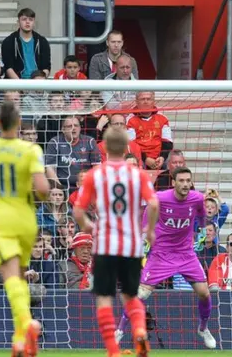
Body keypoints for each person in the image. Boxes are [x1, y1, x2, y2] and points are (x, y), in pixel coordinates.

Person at [0, 101, 50, 356]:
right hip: (26, 219)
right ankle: (19, 340)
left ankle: (27, 324)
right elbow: (45, 190)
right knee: (22, 275)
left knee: (11, 278)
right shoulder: (31, 149)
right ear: (19, 125)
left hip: (0, 219)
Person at [73, 128, 160, 357]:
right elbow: (153, 204)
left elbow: (78, 210)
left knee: (104, 297)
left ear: (104, 148)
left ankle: (113, 351)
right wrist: (150, 230)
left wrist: (89, 226)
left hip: (105, 244)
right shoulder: (138, 174)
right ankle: (140, 332)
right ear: (126, 148)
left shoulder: (96, 174)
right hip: (131, 244)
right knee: (131, 295)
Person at [114, 167, 217, 349]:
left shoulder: (197, 198)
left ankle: (203, 328)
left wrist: (200, 230)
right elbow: (147, 215)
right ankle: (119, 331)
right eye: (182, 181)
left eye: (188, 181)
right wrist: (146, 231)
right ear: (174, 182)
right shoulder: (161, 198)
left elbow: (201, 216)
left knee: (204, 292)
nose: (185, 184)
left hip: (186, 253)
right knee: (141, 294)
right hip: (162, 253)